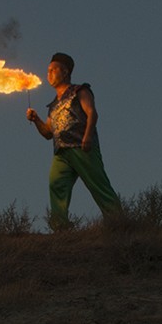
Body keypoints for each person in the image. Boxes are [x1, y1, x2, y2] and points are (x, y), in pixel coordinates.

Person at [25, 53, 122, 230]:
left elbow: (92, 113)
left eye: (54, 70)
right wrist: (36, 119)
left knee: (98, 185)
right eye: (48, 70)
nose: (49, 73)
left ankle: (119, 222)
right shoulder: (53, 105)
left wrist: (87, 136)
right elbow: (48, 133)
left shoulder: (80, 91)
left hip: (82, 147)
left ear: (65, 72)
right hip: (61, 153)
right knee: (56, 184)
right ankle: (61, 227)